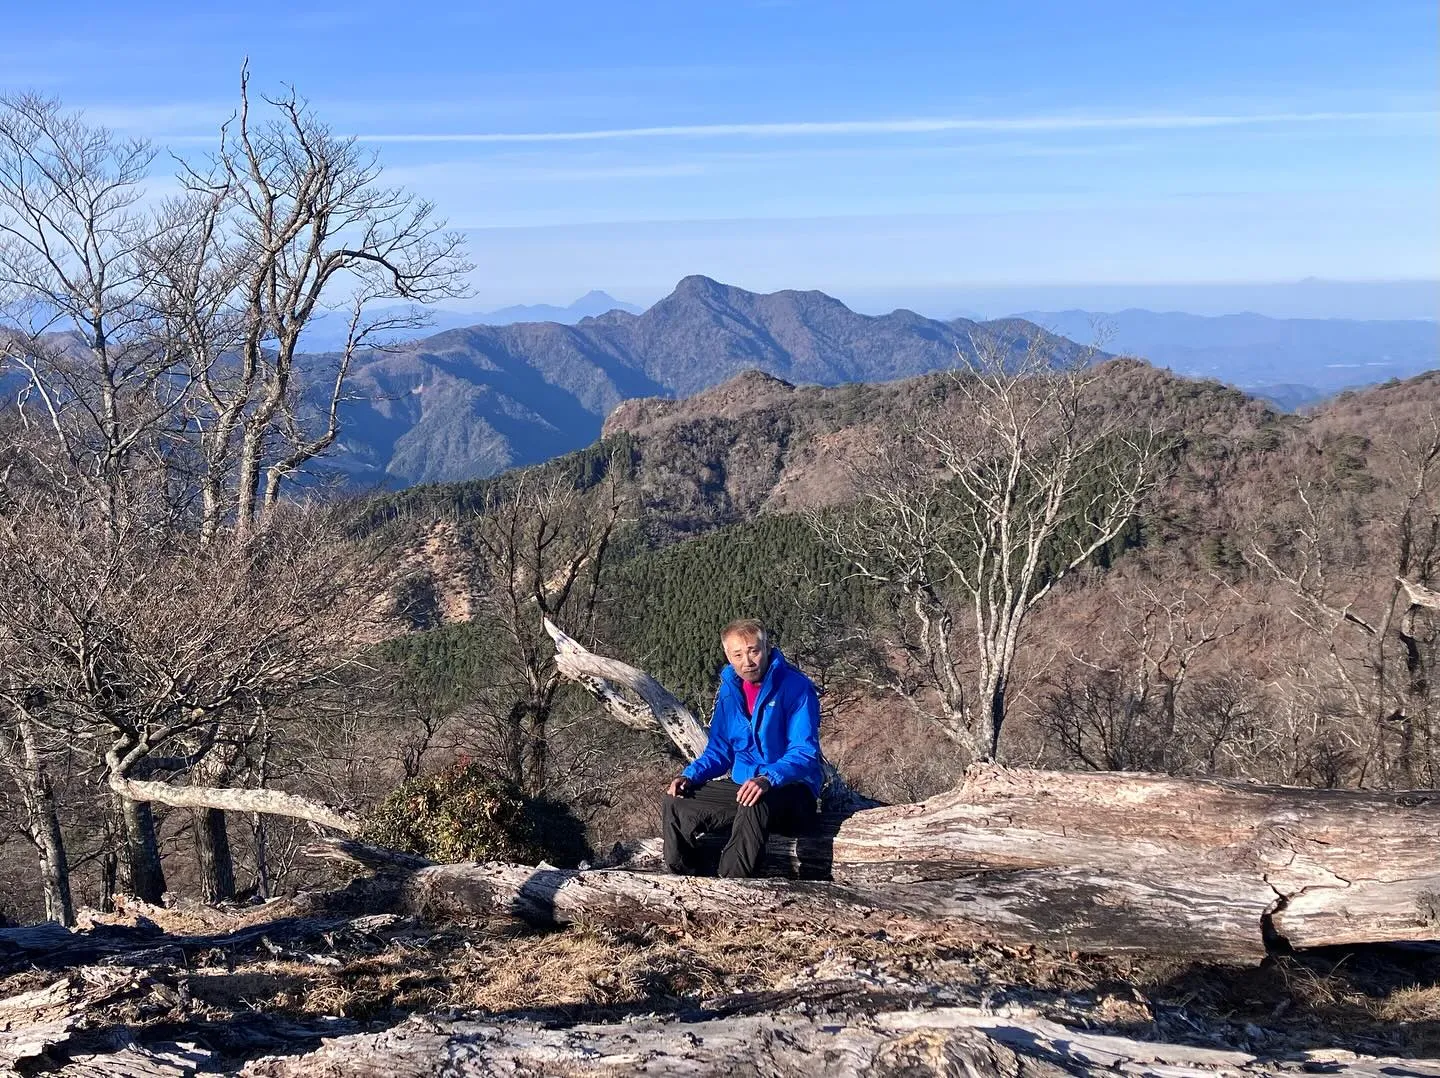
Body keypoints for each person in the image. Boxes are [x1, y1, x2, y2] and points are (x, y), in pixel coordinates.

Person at [661, 618, 822, 878]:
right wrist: (689, 776)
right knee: (676, 801)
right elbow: (720, 751)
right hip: (746, 786)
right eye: (738, 654)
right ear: (728, 656)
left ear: (767, 648)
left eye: (753, 651)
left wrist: (768, 778)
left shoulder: (795, 688)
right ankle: (686, 880)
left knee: (753, 802)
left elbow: (804, 753)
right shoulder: (730, 692)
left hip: (793, 792)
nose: (747, 661)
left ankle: (732, 887)